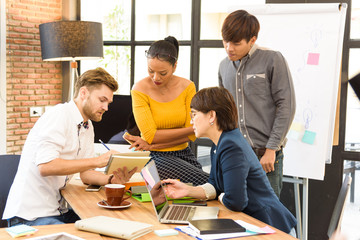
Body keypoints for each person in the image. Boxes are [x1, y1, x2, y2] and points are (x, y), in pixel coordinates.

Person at [3, 68, 137, 227]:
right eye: (102, 100)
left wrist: (111, 180)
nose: (106, 107)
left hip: (56, 211)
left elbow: (86, 174)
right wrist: (97, 161)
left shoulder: (87, 126)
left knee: (109, 226)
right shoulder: (59, 115)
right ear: (83, 93)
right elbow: (46, 166)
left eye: (108, 102)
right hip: (29, 216)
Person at [163, 87, 297, 236]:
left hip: (272, 228)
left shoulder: (231, 146)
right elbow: (214, 184)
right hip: (256, 224)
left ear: (211, 116)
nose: (191, 120)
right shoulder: (220, 142)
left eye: (194, 114)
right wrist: (188, 190)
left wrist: (221, 195)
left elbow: (235, 201)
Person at [218, 10, 296, 198]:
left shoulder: (272, 59)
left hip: (266, 156)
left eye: (236, 43)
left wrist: (271, 149)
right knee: (236, 213)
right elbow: (224, 111)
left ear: (252, 40)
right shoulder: (223, 66)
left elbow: (286, 106)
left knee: (268, 217)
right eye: (225, 41)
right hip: (236, 154)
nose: (229, 48)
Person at [124, 36, 209, 186]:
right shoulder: (139, 89)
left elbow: (193, 134)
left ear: (174, 66)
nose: (156, 77)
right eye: (151, 71)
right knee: (208, 182)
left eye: (163, 73)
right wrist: (191, 129)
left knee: (208, 190)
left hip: (184, 153)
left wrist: (153, 143)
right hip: (153, 157)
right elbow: (151, 135)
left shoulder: (188, 87)